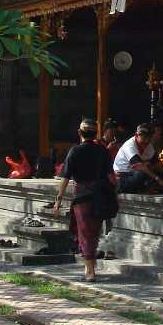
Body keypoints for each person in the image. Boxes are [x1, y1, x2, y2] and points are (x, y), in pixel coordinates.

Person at [51, 118, 114, 282]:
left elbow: (65, 178)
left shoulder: (75, 151)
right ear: (96, 134)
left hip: (82, 197)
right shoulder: (103, 151)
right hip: (100, 195)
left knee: (85, 233)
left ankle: (90, 270)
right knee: (93, 232)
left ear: (80, 133)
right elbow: (111, 177)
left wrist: (58, 201)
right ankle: (91, 266)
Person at [113, 124, 163, 193]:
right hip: (123, 176)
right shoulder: (129, 146)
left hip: (134, 173)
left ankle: (149, 187)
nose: (146, 140)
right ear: (136, 135)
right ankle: (145, 188)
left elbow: (157, 163)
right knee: (141, 174)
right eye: (144, 137)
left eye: (148, 137)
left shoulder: (149, 145)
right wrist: (159, 180)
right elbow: (140, 166)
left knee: (160, 173)